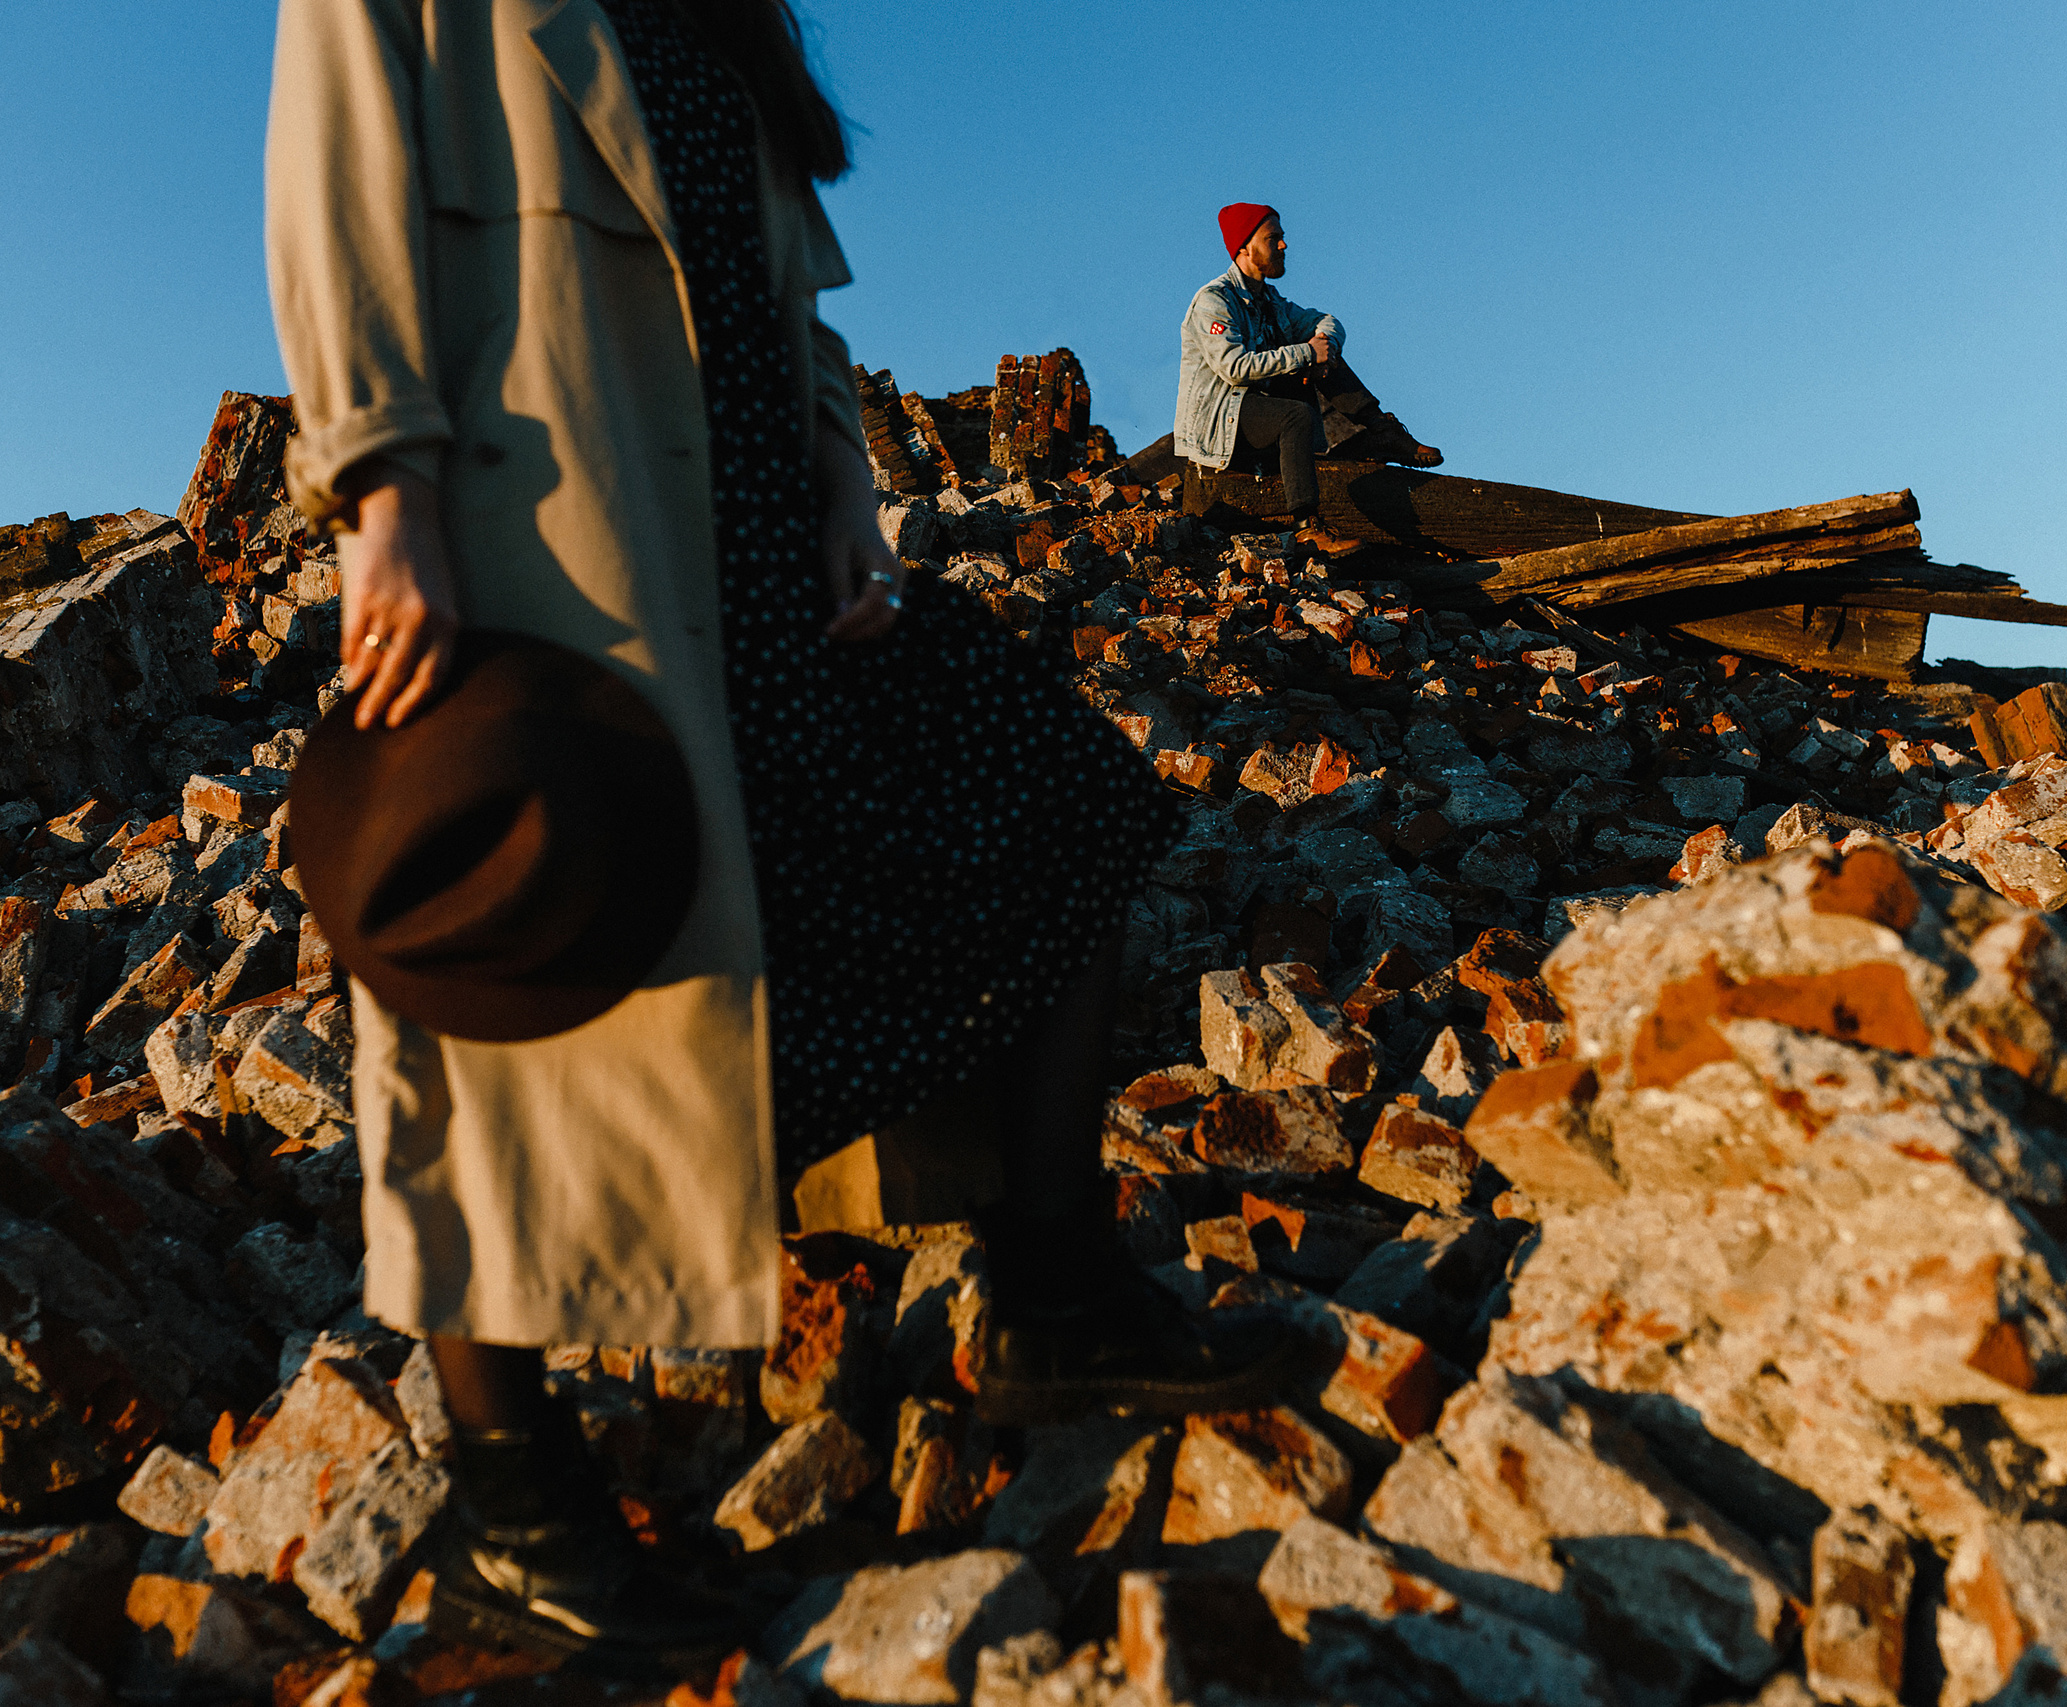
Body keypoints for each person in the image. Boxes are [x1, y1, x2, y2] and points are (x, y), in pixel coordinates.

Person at [265, 0, 1286, 1665]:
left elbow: (784, 276)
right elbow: (338, 191)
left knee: (1048, 787)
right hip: (562, 550)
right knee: (519, 946)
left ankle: (1050, 1281)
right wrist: (383, 488)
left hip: (760, 559)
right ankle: (513, 1504)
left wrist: (839, 477)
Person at [1174, 203, 1446, 558]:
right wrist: (1307, 354)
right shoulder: (1214, 300)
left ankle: (1380, 430)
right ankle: (1306, 527)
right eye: (1274, 239)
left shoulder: (1270, 301)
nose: (1284, 246)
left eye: (1282, 238)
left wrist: (1324, 348)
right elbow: (1234, 368)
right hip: (1222, 422)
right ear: (1245, 247)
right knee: (1297, 409)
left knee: (1322, 352)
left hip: (1259, 413)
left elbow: (1328, 321)